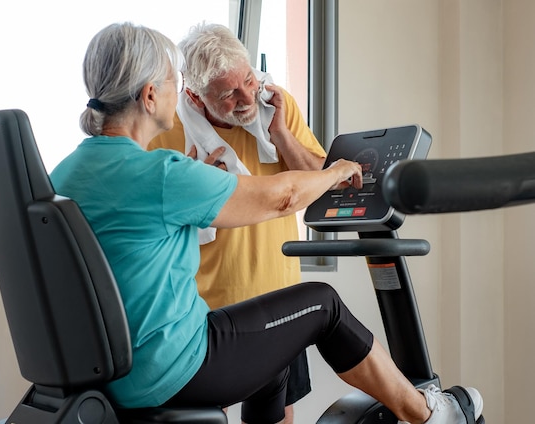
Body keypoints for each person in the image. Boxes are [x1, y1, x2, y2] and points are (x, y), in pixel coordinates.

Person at [49, 22, 484, 424]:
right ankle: (428, 414)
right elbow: (284, 198)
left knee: (275, 348)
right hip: (173, 362)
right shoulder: (162, 169)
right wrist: (334, 172)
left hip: (115, 367)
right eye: (170, 80)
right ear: (149, 96)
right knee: (322, 303)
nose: (175, 89)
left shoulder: (63, 174)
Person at [147, 23, 324, 422]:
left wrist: (282, 136)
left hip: (278, 300)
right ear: (194, 95)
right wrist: (188, 188)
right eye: (229, 94)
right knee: (206, 416)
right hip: (205, 312)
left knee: (277, 417)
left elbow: (319, 185)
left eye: (248, 80)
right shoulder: (165, 131)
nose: (247, 98)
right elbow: (149, 226)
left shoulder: (276, 108)